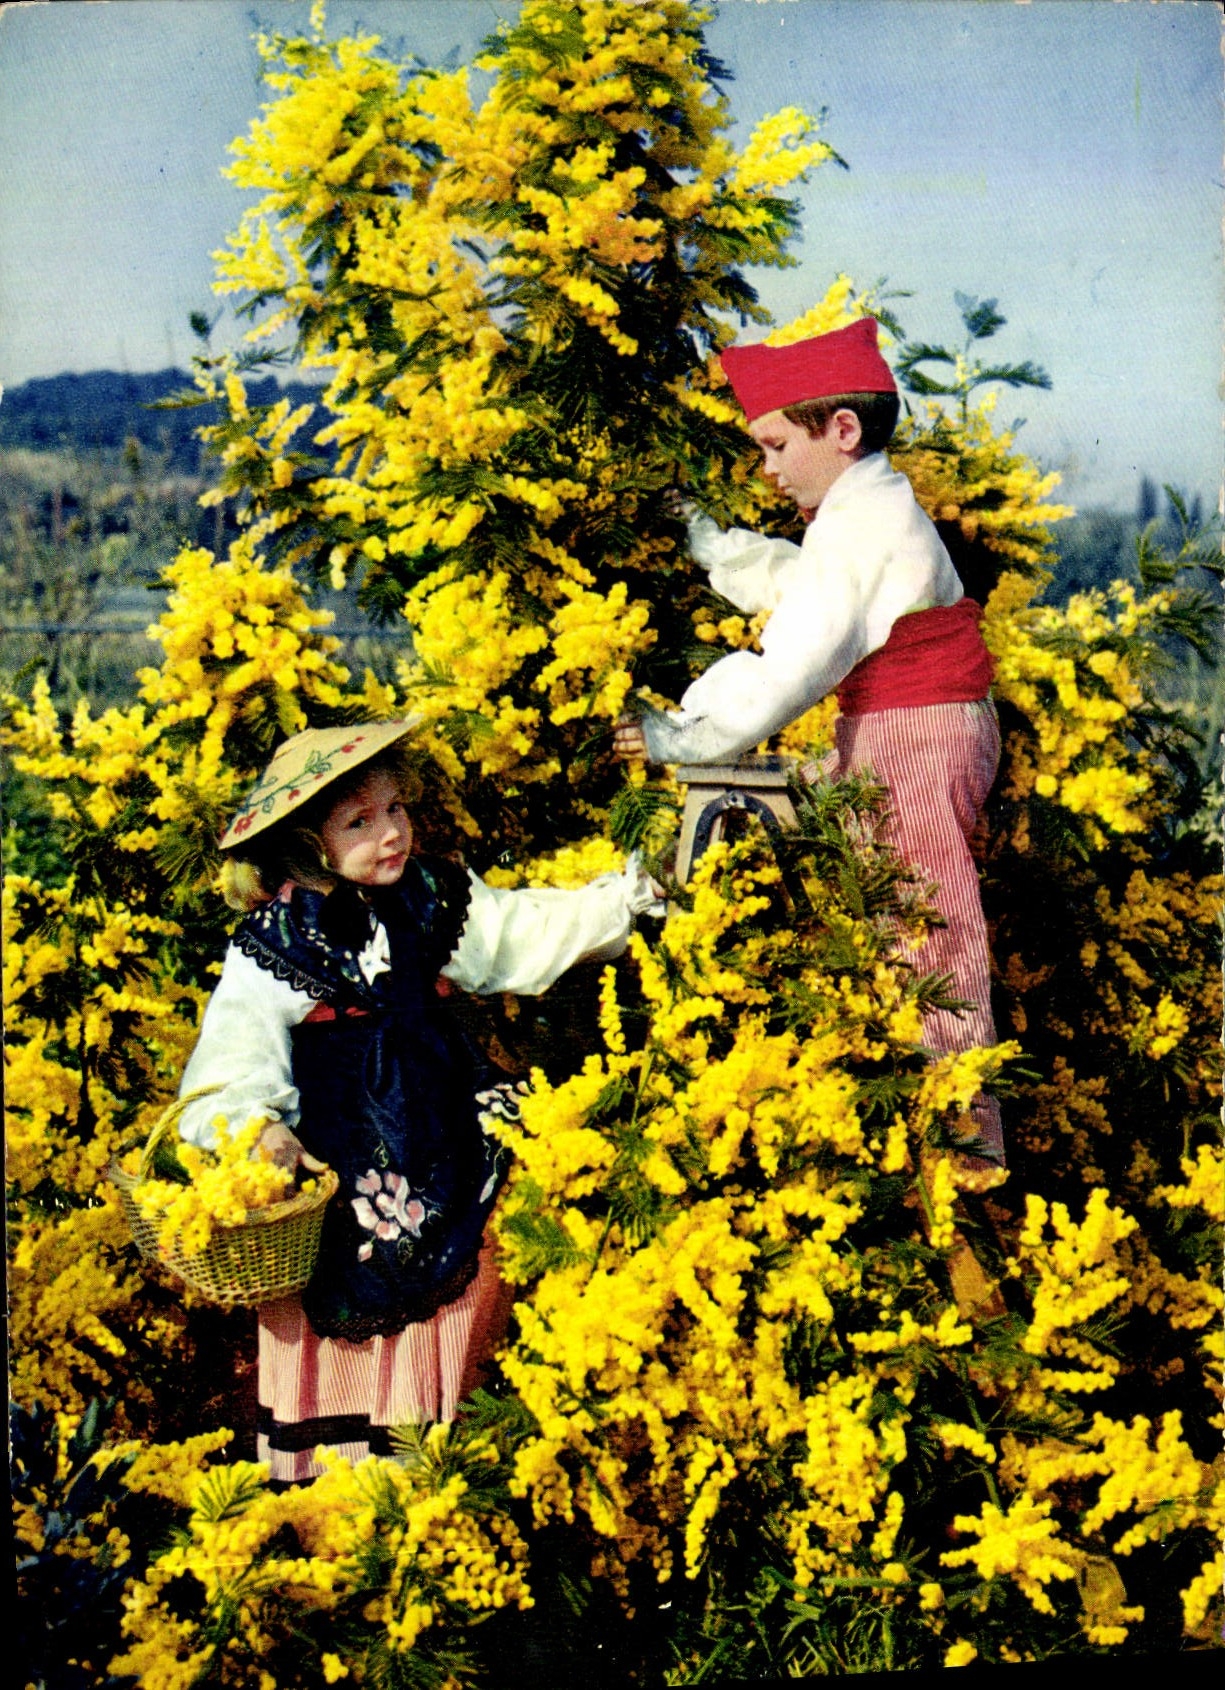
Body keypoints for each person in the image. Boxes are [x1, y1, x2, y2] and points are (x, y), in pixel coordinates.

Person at [177, 719, 661, 1483]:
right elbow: (232, 1054)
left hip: (443, 1123)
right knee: (343, 1273)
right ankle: (337, 1477)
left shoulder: (437, 898)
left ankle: (437, 1460)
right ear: (308, 844)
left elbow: (526, 933)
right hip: (340, 1144)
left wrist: (629, 898)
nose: (391, 834)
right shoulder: (276, 941)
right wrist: (256, 1126)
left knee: (474, 1253)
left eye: (395, 810)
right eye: (359, 823)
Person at [614, 316, 1004, 1176]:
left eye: (775, 444)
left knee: (924, 928)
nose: (768, 468)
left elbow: (794, 661)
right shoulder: (867, 516)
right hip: (913, 728)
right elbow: (810, 589)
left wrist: (682, 737)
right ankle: (917, 1117)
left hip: (912, 734)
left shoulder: (864, 527)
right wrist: (714, 546)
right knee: (894, 915)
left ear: (841, 430)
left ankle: (959, 1149)